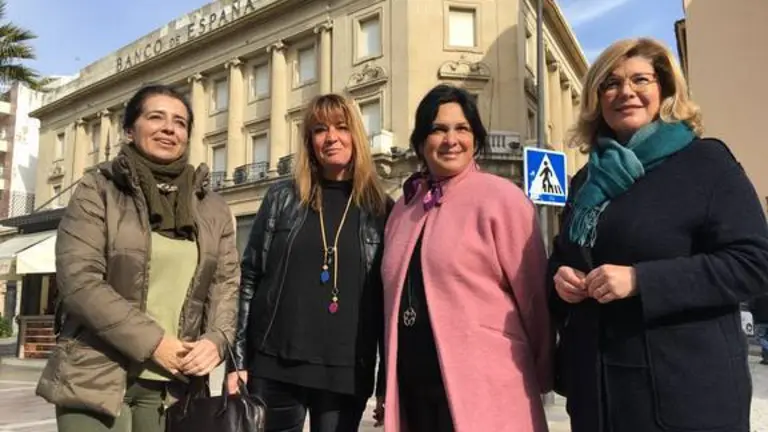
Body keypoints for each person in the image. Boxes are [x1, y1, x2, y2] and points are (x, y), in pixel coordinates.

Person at [549, 38, 768, 432]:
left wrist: (641, 280)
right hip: (598, 399)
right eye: (611, 83)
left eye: (640, 80)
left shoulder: (705, 162)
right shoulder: (586, 180)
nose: (625, 92)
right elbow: (564, 256)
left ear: (664, 90)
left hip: (685, 399)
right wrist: (560, 278)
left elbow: (754, 263)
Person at [36, 84, 241, 432]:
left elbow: (225, 285)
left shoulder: (213, 207)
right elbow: (79, 281)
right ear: (130, 130)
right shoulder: (97, 190)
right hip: (96, 375)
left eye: (179, 122)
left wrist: (217, 339)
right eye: (156, 117)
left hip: (175, 386)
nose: (169, 128)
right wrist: (155, 343)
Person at [380, 84, 552, 431]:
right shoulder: (402, 208)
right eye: (438, 129)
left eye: (462, 128)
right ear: (421, 141)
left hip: (487, 389)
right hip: (415, 393)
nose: (451, 140)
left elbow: (534, 298)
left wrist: (542, 371)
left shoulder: (502, 199)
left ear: (476, 138)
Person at [227, 94, 390, 432]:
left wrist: (387, 383)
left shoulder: (381, 209)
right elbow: (250, 277)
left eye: (341, 127)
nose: (331, 137)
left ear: (356, 135)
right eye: (319, 130)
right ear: (309, 142)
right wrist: (237, 360)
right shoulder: (281, 198)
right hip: (274, 365)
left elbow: (390, 300)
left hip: (346, 371)